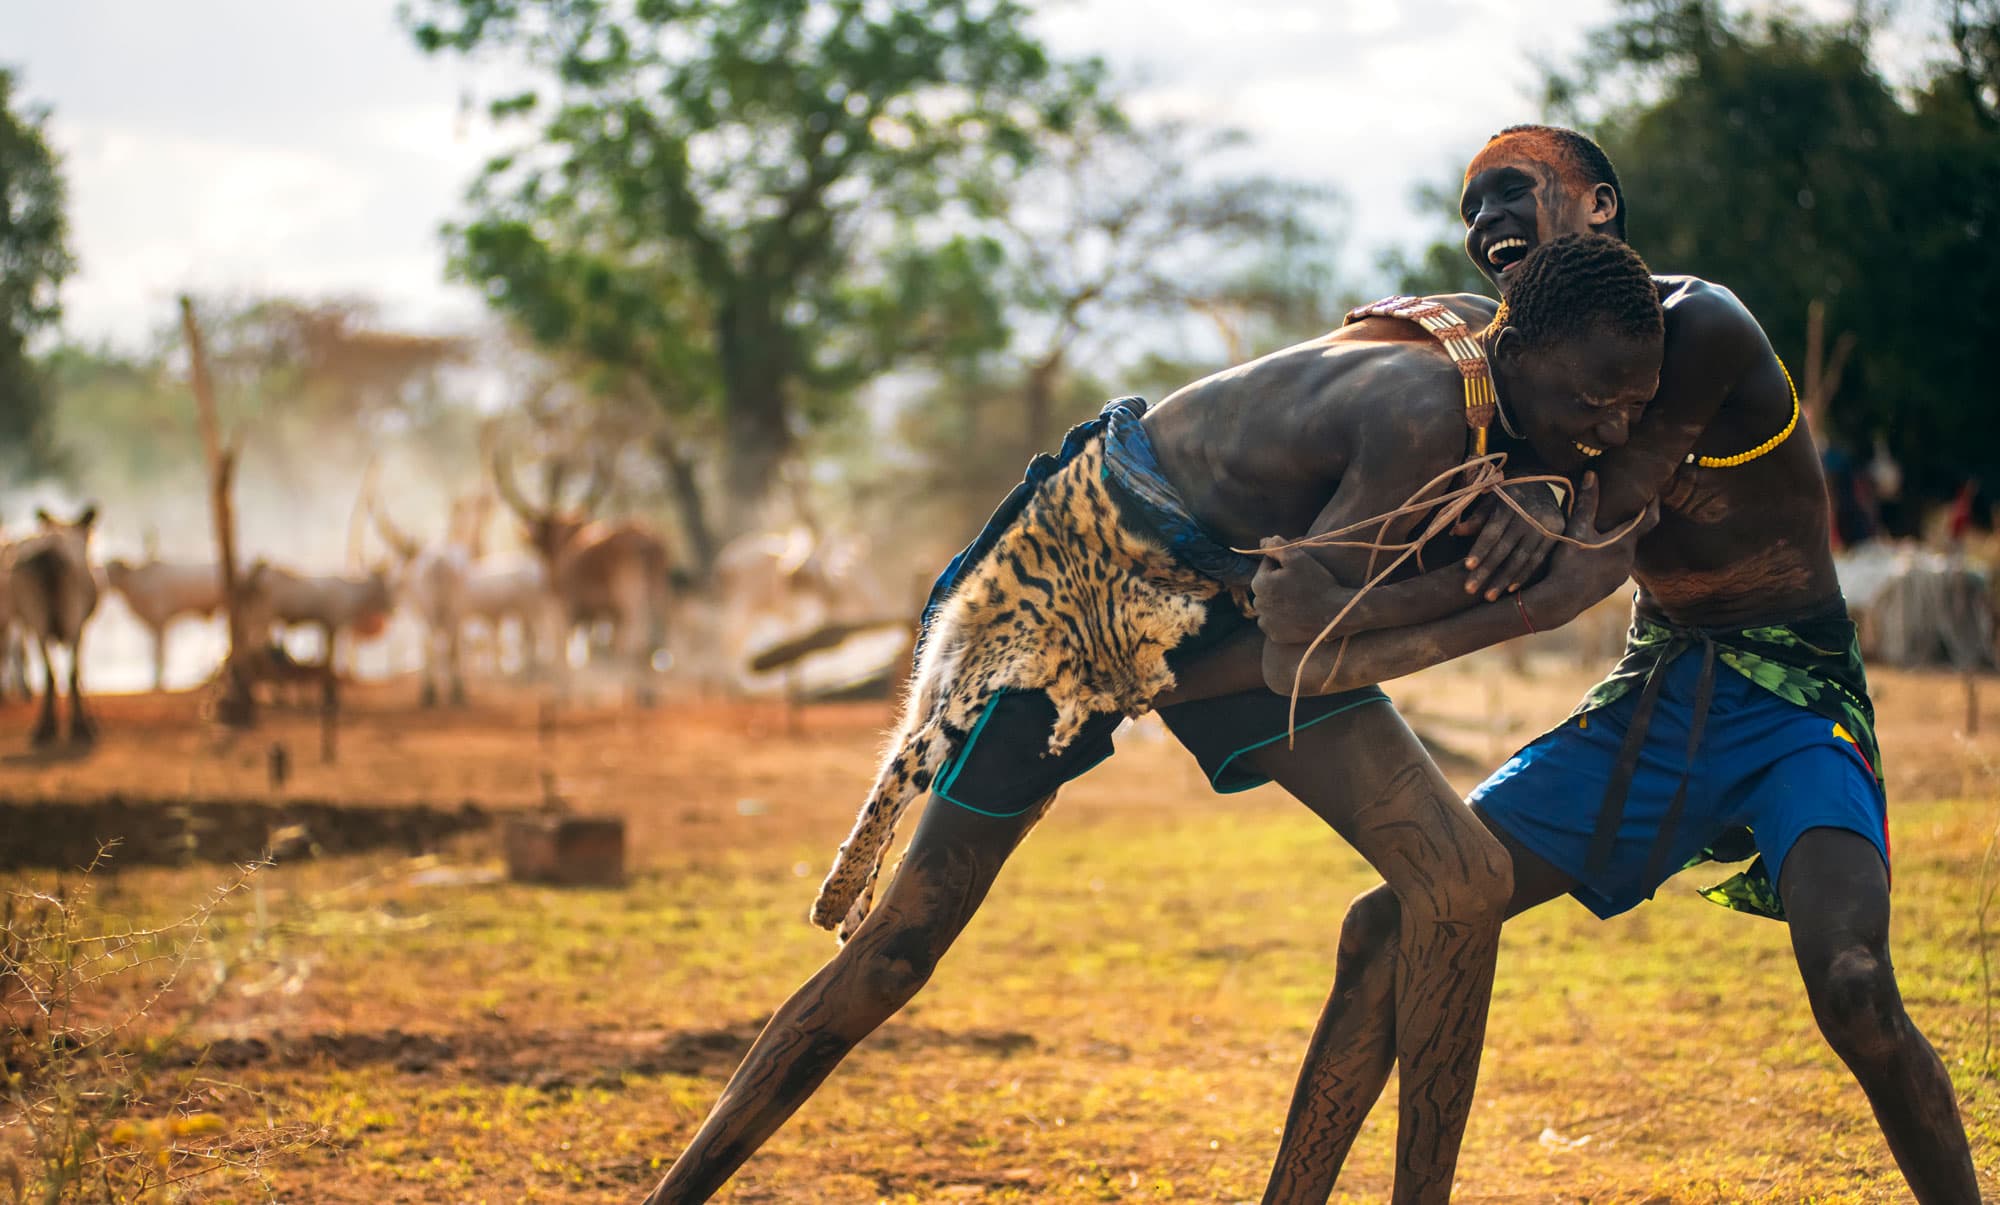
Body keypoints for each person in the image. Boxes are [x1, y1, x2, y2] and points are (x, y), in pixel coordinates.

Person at [639, 232, 1667, 1204]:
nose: (1614, 430)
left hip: (1242, 597)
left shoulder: (1491, 371)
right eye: (1592, 399)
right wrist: (1521, 589)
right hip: (1081, 578)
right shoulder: (1419, 416)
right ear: (1517, 346)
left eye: (1633, 405)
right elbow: (1302, 642)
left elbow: (1291, 616)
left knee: (1461, 878)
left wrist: (1538, 498)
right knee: (898, 949)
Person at [1250, 125, 1979, 1204]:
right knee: (1388, 924)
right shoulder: (1501, 367)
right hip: (1660, 694)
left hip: (1793, 698)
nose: (1484, 221)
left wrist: (1341, 626)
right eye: (1468, 211)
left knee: (1855, 985)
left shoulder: (1701, 325)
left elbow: (1585, 555)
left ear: (1598, 205)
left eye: (1513, 192)